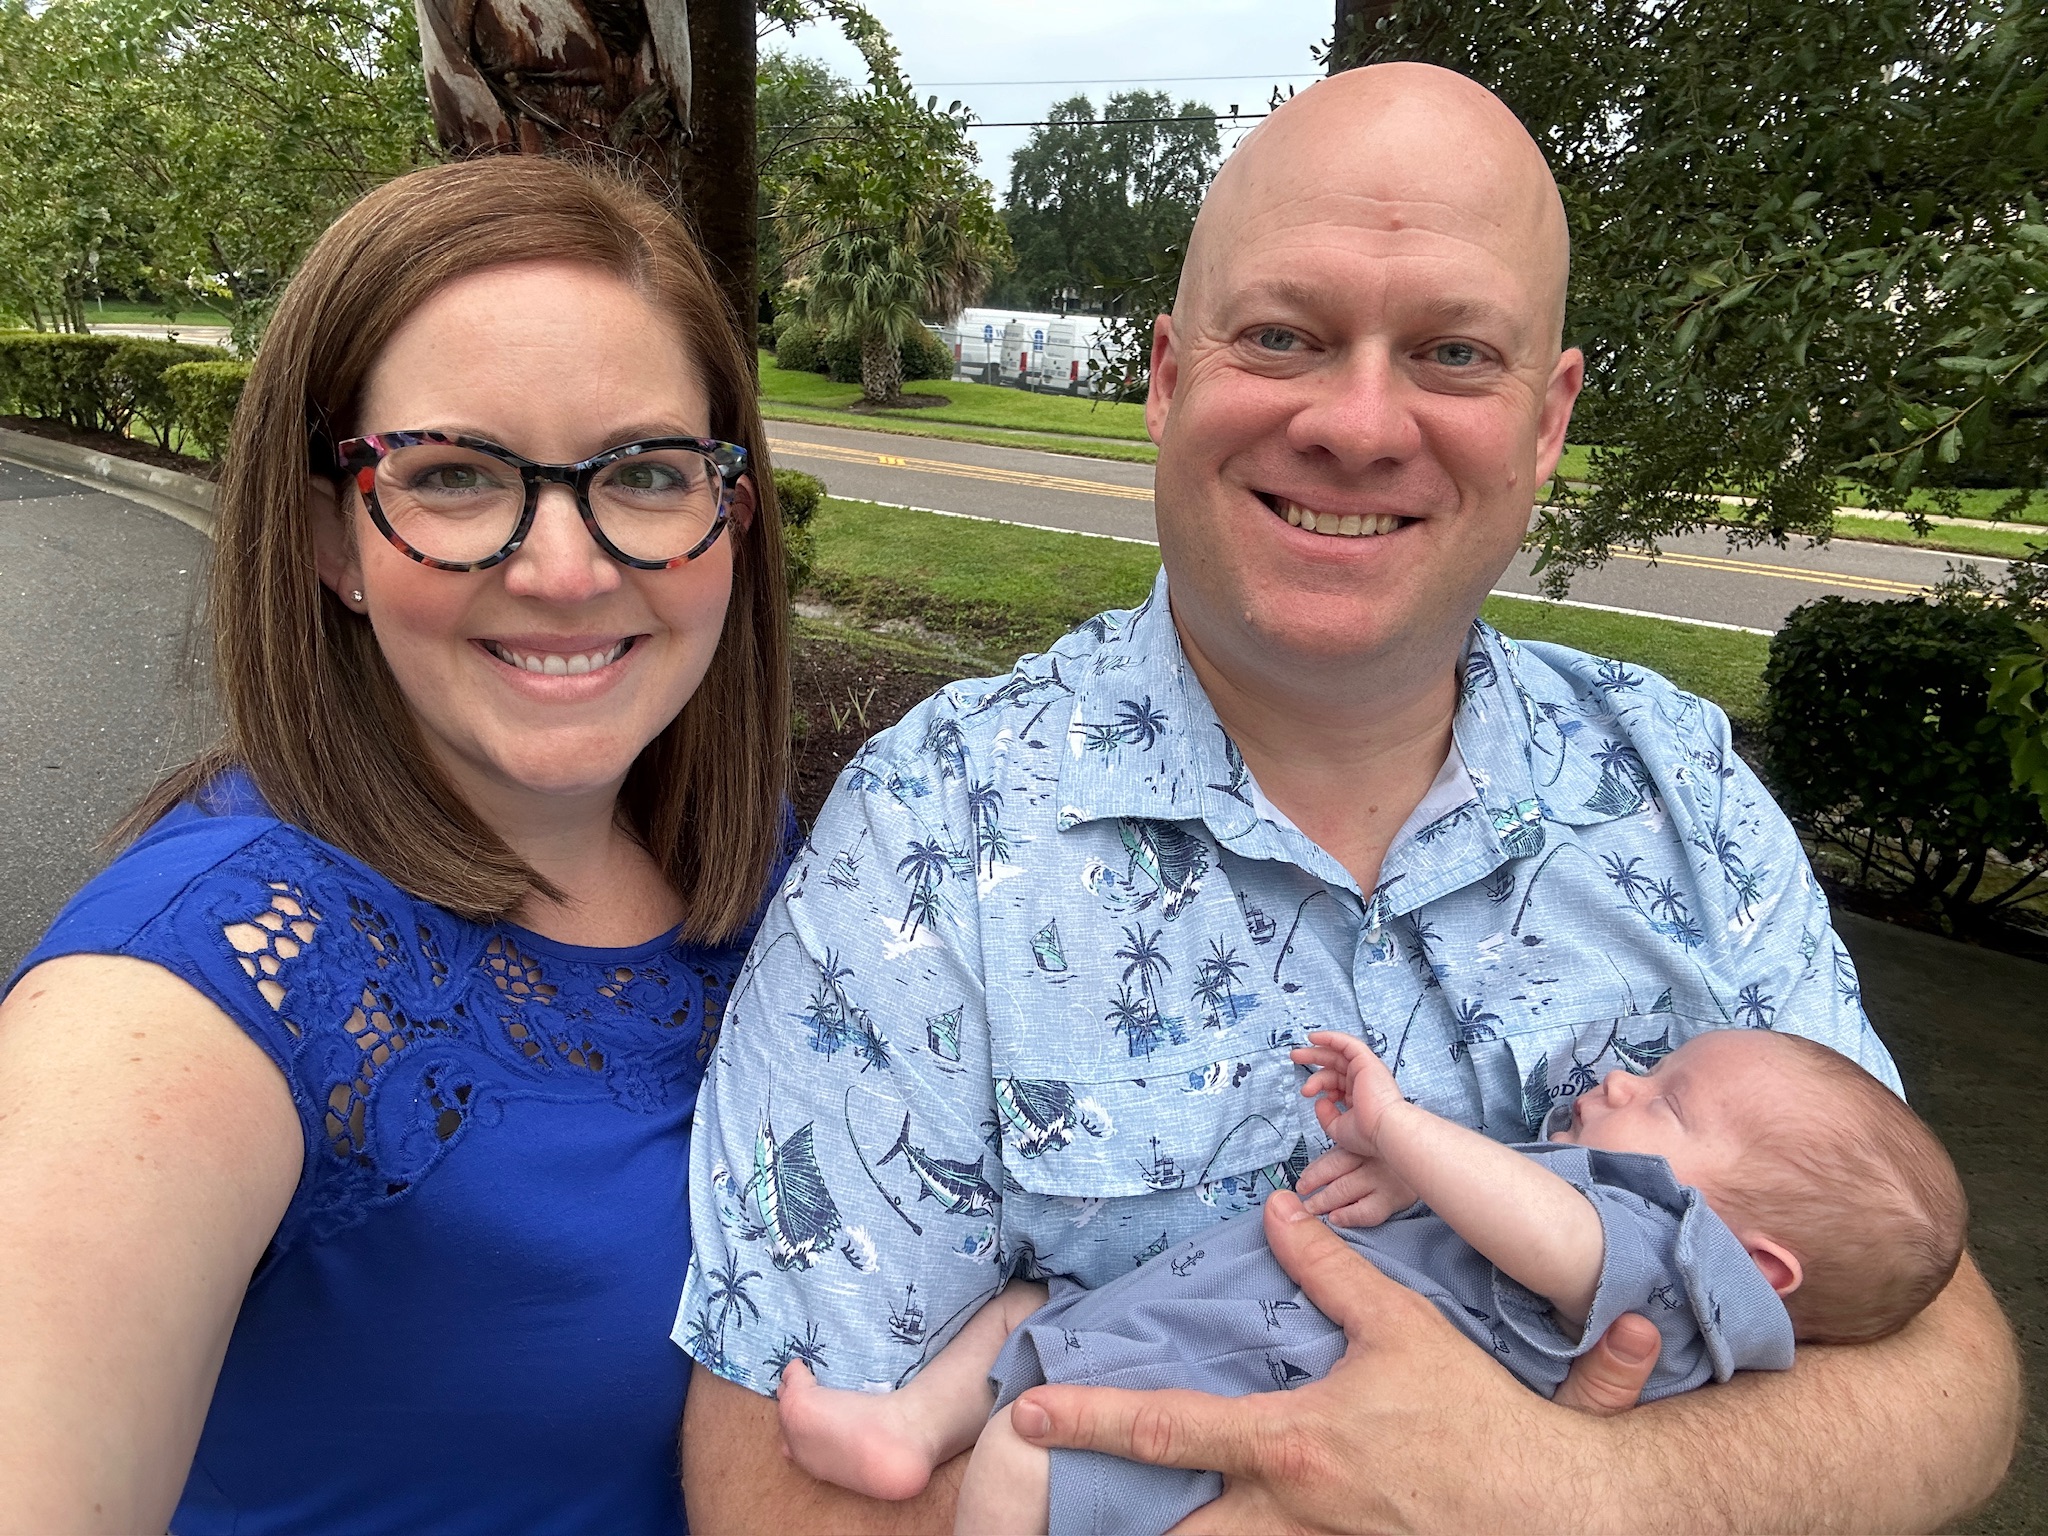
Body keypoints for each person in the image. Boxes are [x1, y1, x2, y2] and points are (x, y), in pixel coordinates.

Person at [677, 63, 2019, 1534]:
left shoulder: (1676, 781)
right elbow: (770, 1488)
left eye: (1453, 353)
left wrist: (1575, 1495)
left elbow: (1947, 1364)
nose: (1361, 424)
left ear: (1549, 420)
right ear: (1170, 374)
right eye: (1284, 335)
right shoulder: (933, 831)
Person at [0, 157, 790, 1535]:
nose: (565, 569)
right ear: (331, 537)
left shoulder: (776, 874)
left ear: (728, 512)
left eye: (650, 472)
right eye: (456, 477)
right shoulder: (188, 994)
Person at [773, 1027, 1968, 1535]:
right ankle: (897, 1432)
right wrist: (1414, 1188)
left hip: (1244, 1378)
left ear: (1754, 1266)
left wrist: (1401, 1131)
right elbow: (1519, 1217)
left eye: (1667, 1102)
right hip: (1203, 1321)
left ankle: (945, 1456)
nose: (1617, 1082)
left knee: (1028, 1444)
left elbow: (1550, 1228)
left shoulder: (1672, 1269)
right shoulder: (1621, 1229)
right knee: (1028, 1316)